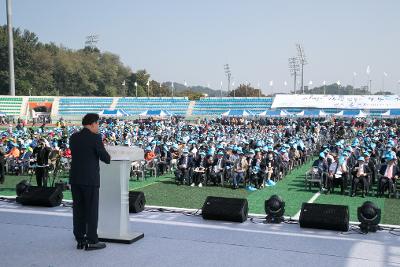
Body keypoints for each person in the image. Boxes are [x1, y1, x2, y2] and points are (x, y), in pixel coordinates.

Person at [69, 113, 111, 251]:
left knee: (78, 210)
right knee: (91, 211)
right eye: (98, 124)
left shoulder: (73, 137)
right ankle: (92, 240)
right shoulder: (95, 138)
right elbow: (105, 158)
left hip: (75, 179)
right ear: (92, 124)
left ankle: (80, 240)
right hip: (90, 180)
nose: (98, 126)